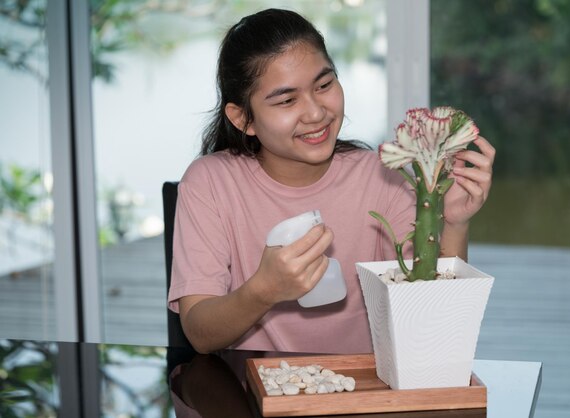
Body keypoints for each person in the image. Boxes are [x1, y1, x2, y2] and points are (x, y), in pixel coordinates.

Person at [167, 8, 495, 355]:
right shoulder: (210, 183)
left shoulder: (382, 175)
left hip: (365, 390)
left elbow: (434, 319)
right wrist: (263, 289)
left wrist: (453, 223)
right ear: (242, 118)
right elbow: (200, 333)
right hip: (253, 394)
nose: (316, 112)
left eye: (324, 85)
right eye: (287, 100)